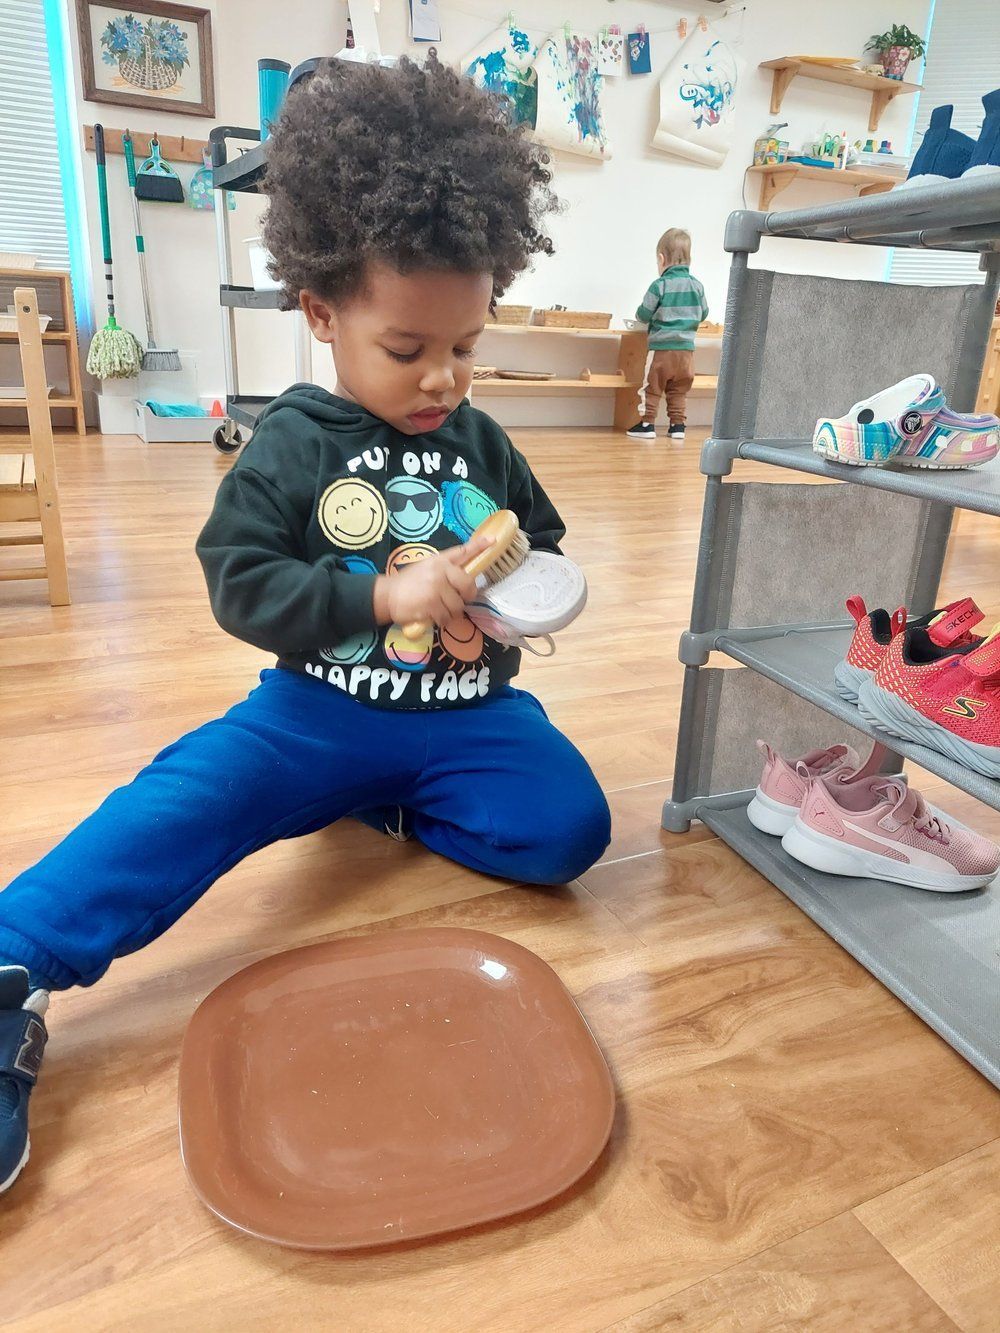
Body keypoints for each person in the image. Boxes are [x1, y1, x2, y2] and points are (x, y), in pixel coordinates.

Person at [0, 55, 611, 1195]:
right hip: (317, 710)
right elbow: (238, 580)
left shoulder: (481, 442)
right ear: (323, 312)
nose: (443, 377)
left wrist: (505, 573)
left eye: (465, 346)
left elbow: (541, 529)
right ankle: (12, 959)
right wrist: (380, 595)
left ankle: (389, 801)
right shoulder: (291, 441)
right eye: (408, 348)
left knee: (567, 831)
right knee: (183, 808)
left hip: (467, 713)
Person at [627, 228, 709, 443]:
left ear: (661, 259)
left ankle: (647, 424)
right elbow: (704, 313)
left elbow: (643, 313)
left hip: (662, 350)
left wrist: (641, 316)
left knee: (652, 388)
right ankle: (678, 426)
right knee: (679, 391)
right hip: (686, 353)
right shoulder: (697, 286)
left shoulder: (660, 285)